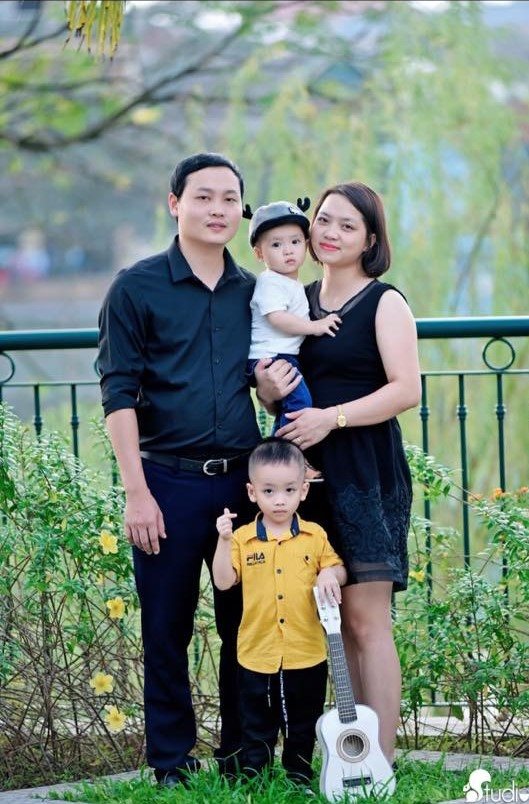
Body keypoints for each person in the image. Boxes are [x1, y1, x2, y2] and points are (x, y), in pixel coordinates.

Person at [96, 152, 298, 788]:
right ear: (174, 203)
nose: (217, 209)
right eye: (203, 196)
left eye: (229, 199)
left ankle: (245, 757)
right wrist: (136, 493)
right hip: (167, 482)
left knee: (251, 623)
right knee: (166, 625)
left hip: (243, 481)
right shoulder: (136, 287)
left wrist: (270, 391)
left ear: (241, 211)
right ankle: (171, 763)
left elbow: (267, 382)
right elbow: (118, 394)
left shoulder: (255, 292)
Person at [274, 181, 422, 766]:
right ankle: (349, 754)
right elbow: (281, 387)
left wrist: (331, 418)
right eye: (324, 220)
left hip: (365, 470)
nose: (330, 233)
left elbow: (406, 390)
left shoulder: (384, 302)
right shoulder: (295, 301)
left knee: (365, 620)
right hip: (304, 476)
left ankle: (378, 760)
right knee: (328, 618)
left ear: (370, 240)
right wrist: (268, 390)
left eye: (347, 225)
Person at [212, 437, 346, 786]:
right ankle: (255, 776)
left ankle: (298, 776)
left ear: (304, 490)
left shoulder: (315, 535)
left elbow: (339, 568)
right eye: (269, 491)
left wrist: (329, 573)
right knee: (256, 721)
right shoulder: (242, 538)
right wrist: (223, 541)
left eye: (289, 490)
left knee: (303, 721)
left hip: (306, 651)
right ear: (252, 492)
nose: (280, 500)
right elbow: (224, 582)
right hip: (257, 651)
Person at [247, 201, 341, 432]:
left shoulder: (290, 283)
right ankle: (287, 448)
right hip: (271, 357)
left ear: (306, 245)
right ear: (259, 253)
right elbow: (277, 318)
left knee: (289, 406)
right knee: (299, 403)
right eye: (276, 244)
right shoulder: (270, 282)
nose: (288, 250)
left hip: (282, 355)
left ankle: (279, 446)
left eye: (295, 242)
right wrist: (316, 326)